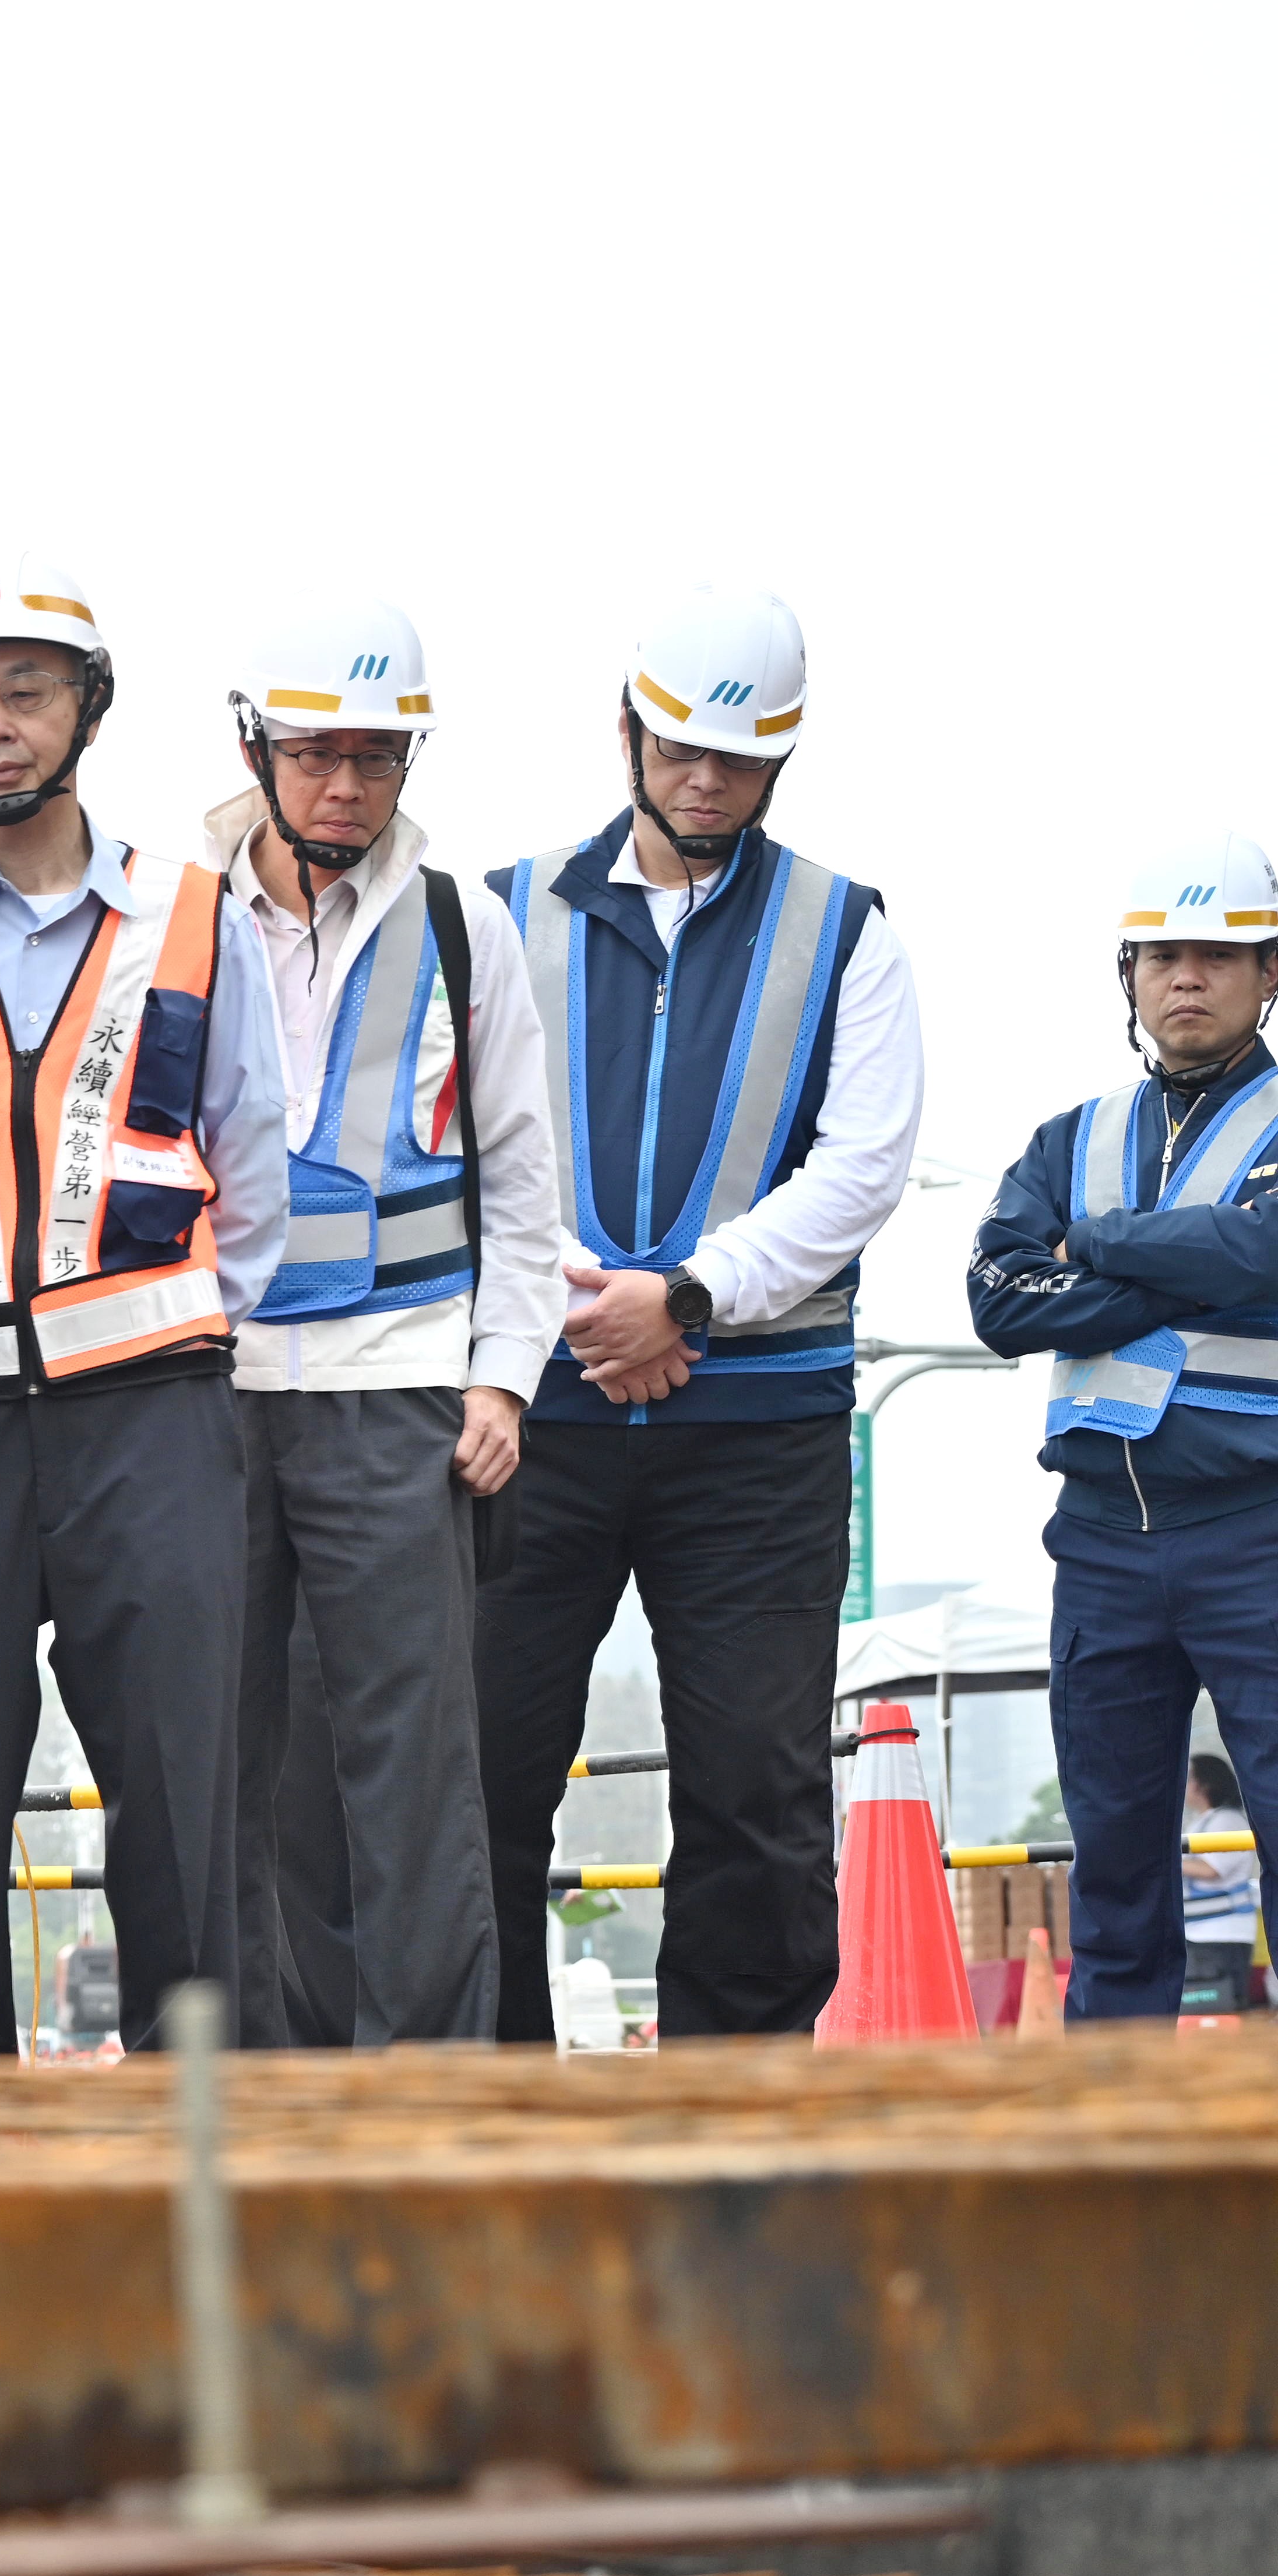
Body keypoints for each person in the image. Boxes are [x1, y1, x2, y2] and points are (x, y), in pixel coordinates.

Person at [0, 552, 287, 2057]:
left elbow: (255, 1164)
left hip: (150, 1419)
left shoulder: (198, 915)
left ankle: (197, 2120)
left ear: (86, 709)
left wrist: (164, 1338)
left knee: (176, 1795)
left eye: (26, 693)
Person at [471, 587, 921, 2040]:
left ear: (782, 760)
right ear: (627, 729)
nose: (704, 781)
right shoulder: (495, 914)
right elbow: (445, 1140)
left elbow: (860, 1169)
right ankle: (485, 2117)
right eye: (679, 750)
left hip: (758, 1437)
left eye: (738, 761)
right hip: (531, 1414)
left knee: (755, 1790)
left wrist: (690, 1295)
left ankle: (734, 2134)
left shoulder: (849, 933)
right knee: (479, 1768)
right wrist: (595, 1305)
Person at [211, 601, 565, 2048]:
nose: (345, 788)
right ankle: (245, 2086)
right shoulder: (175, 920)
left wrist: (505, 1386)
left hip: (405, 1393)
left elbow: (526, 1189)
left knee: (415, 1771)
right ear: (255, 745)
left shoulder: (462, 930)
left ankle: (431, 2091)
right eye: (315, 756)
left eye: (376, 758)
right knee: (224, 1764)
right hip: (215, 1393)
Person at [964, 838, 1278, 2026]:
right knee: (1114, 1879)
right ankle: (1111, 2167)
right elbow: (998, 1299)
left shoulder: (1088, 1182)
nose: (1185, 978)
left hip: (1257, 1529)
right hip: (1100, 1544)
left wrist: (1089, 1246)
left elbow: (1264, 1252)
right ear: (1130, 973)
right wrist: (1188, 1267)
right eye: (1162, 957)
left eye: (1217, 955)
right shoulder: (1071, 1135)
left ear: (1269, 974)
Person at [1192, 1756, 1265, 2016]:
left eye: (1189, 1778)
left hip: (1222, 1933)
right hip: (1200, 1933)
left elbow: (1212, 1869)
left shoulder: (1227, 1821)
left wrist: (1160, 1860)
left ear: (1204, 1784)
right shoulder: (1202, 1822)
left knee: (1224, 2007)